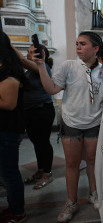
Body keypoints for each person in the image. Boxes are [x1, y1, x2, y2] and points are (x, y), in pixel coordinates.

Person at [32, 31, 103, 222]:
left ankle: (94, 194)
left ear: (96, 48)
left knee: (92, 161)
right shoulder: (68, 66)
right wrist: (40, 66)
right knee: (72, 164)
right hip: (72, 123)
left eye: (83, 44)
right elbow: (51, 89)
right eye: (77, 43)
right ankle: (71, 201)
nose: (78, 47)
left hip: (95, 123)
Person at [14, 44, 56, 190]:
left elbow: (23, 61)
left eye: (32, 52)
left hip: (42, 109)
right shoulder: (28, 72)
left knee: (43, 142)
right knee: (36, 142)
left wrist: (7, 44)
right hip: (29, 111)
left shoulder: (43, 68)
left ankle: (48, 173)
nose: (28, 54)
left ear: (41, 55)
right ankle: (41, 169)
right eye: (28, 52)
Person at [0, 31, 27, 223]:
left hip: (6, 130)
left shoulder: (9, 72)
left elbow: (8, 103)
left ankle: (18, 212)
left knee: (9, 173)